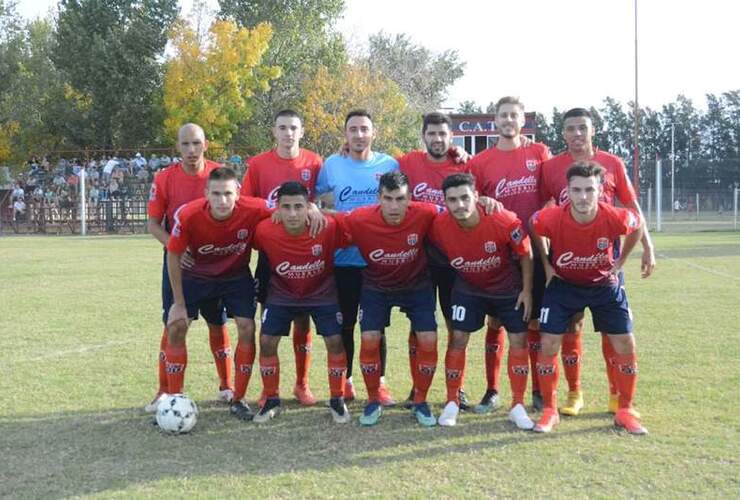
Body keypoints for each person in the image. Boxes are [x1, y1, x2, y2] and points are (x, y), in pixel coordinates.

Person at [540, 107, 655, 416]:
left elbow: (632, 209)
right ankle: (574, 392)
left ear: (593, 131)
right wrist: (548, 262)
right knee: (571, 326)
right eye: (570, 128)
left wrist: (647, 248)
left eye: (582, 127)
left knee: (612, 330)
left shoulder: (613, 163)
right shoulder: (550, 167)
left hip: (606, 263)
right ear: (562, 133)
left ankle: (617, 394)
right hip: (567, 265)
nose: (577, 133)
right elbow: (542, 213)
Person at [531, 161, 646, 434]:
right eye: (577, 190)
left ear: (600, 191)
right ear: (567, 191)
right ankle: (549, 410)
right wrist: (548, 265)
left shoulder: (615, 216)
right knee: (548, 343)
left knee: (625, 342)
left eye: (589, 190)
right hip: (564, 286)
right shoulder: (551, 217)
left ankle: (625, 409)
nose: (583, 197)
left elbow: (637, 225)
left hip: (605, 286)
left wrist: (620, 262)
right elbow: (534, 226)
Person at [163, 167, 272, 419]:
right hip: (197, 277)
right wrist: (178, 303)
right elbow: (173, 253)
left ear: (238, 193)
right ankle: (174, 400)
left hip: (235, 277)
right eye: (216, 194)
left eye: (227, 193)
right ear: (206, 194)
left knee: (246, 327)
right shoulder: (189, 214)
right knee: (177, 326)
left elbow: (286, 207)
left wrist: (311, 209)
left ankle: (238, 398)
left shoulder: (255, 207)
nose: (222, 200)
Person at [429, 173, 535, 428]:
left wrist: (527, 291)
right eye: (452, 200)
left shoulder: (503, 219)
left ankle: (518, 405)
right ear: (444, 202)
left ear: (477, 197)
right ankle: (452, 401)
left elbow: (526, 253)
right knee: (458, 338)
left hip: (506, 289)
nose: (460, 205)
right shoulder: (437, 225)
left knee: (519, 339)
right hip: (468, 289)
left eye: (465, 197)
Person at [468, 96, 552, 413]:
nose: (508, 120)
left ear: (522, 120)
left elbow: (552, 195)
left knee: (531, 322)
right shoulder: (480, 162)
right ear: (495, 121)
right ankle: (492, 390)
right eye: (503, 115)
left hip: (535, 249)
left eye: (513, 115)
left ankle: (536, 390)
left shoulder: (539, 153)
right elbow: (470, 200)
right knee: (495, 321)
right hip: (499, 253)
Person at [336, 171, 439, 427]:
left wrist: (483, 202)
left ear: (410, 198)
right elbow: (331, 224)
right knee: (370, 337)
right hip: (376, 285)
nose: (394, 206)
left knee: (428, 338)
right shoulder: (359, 219)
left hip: (416, 285)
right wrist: (314, 212)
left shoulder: (427, 212)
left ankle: (420, 400)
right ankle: (373, 399)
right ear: (378, 198)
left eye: (400, 199)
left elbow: (458, 209)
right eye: (388, 198)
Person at [145, 123, 233, 413]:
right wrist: (175, 246)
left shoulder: (220, 175)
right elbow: (153, 224)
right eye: (185, 144)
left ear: (206, 144)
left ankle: (227, 386)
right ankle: (166, 393)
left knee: (218, 324)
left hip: (216, 263)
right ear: (177, 147)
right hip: (178, 265)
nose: (191, 150)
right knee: (174, 325)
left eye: (196, 143)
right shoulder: (165, 178)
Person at [316, 109, 399, 405]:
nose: (359, 134)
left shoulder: (389, 164)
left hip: (378, 261)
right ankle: (347, 381)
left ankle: (380, 383)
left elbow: (401, 202)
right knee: (346, 324)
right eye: (353, 129)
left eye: (365, 129)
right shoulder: (332, 165)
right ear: (346, 134)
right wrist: (332, 215)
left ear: (373, 133)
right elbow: (316, 202)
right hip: (343, 260)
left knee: (376, 326)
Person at [241, 109, 324, 406]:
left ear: (302, 132)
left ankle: (302, 384)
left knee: (303, 320)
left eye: (293, 128)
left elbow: (325, 199)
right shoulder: (259, 164)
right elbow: (246, 201)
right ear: (273, 132)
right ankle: (268, 388)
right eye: (282, 128)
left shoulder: (314, 162)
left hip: (306, 252)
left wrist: (313, 207)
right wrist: (270, 208)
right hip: (272, 252)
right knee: (270, 320)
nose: (288, 133)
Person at [252, 181, 351, 424]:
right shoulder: (264, 230)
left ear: (309, 206)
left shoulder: (326, 226)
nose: (293, 213)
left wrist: (323, 210)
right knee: (266, 341)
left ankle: (337, 399)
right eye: (286, 207)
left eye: (299, 206)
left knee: (335, 341)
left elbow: (353, 224)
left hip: (322, 292)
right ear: (278, 208)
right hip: (282, 293)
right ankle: (272, 399)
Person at [398, 112, 474, 410]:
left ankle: (458, 388)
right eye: (432, 134)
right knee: (419, 325)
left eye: (443, 134)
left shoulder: (464, 163)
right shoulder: (407, 163)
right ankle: (418, 388)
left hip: (456, 259)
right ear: (424, 136)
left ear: (451, 137)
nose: (438, 139)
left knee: (457, 325)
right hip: (419, 259)